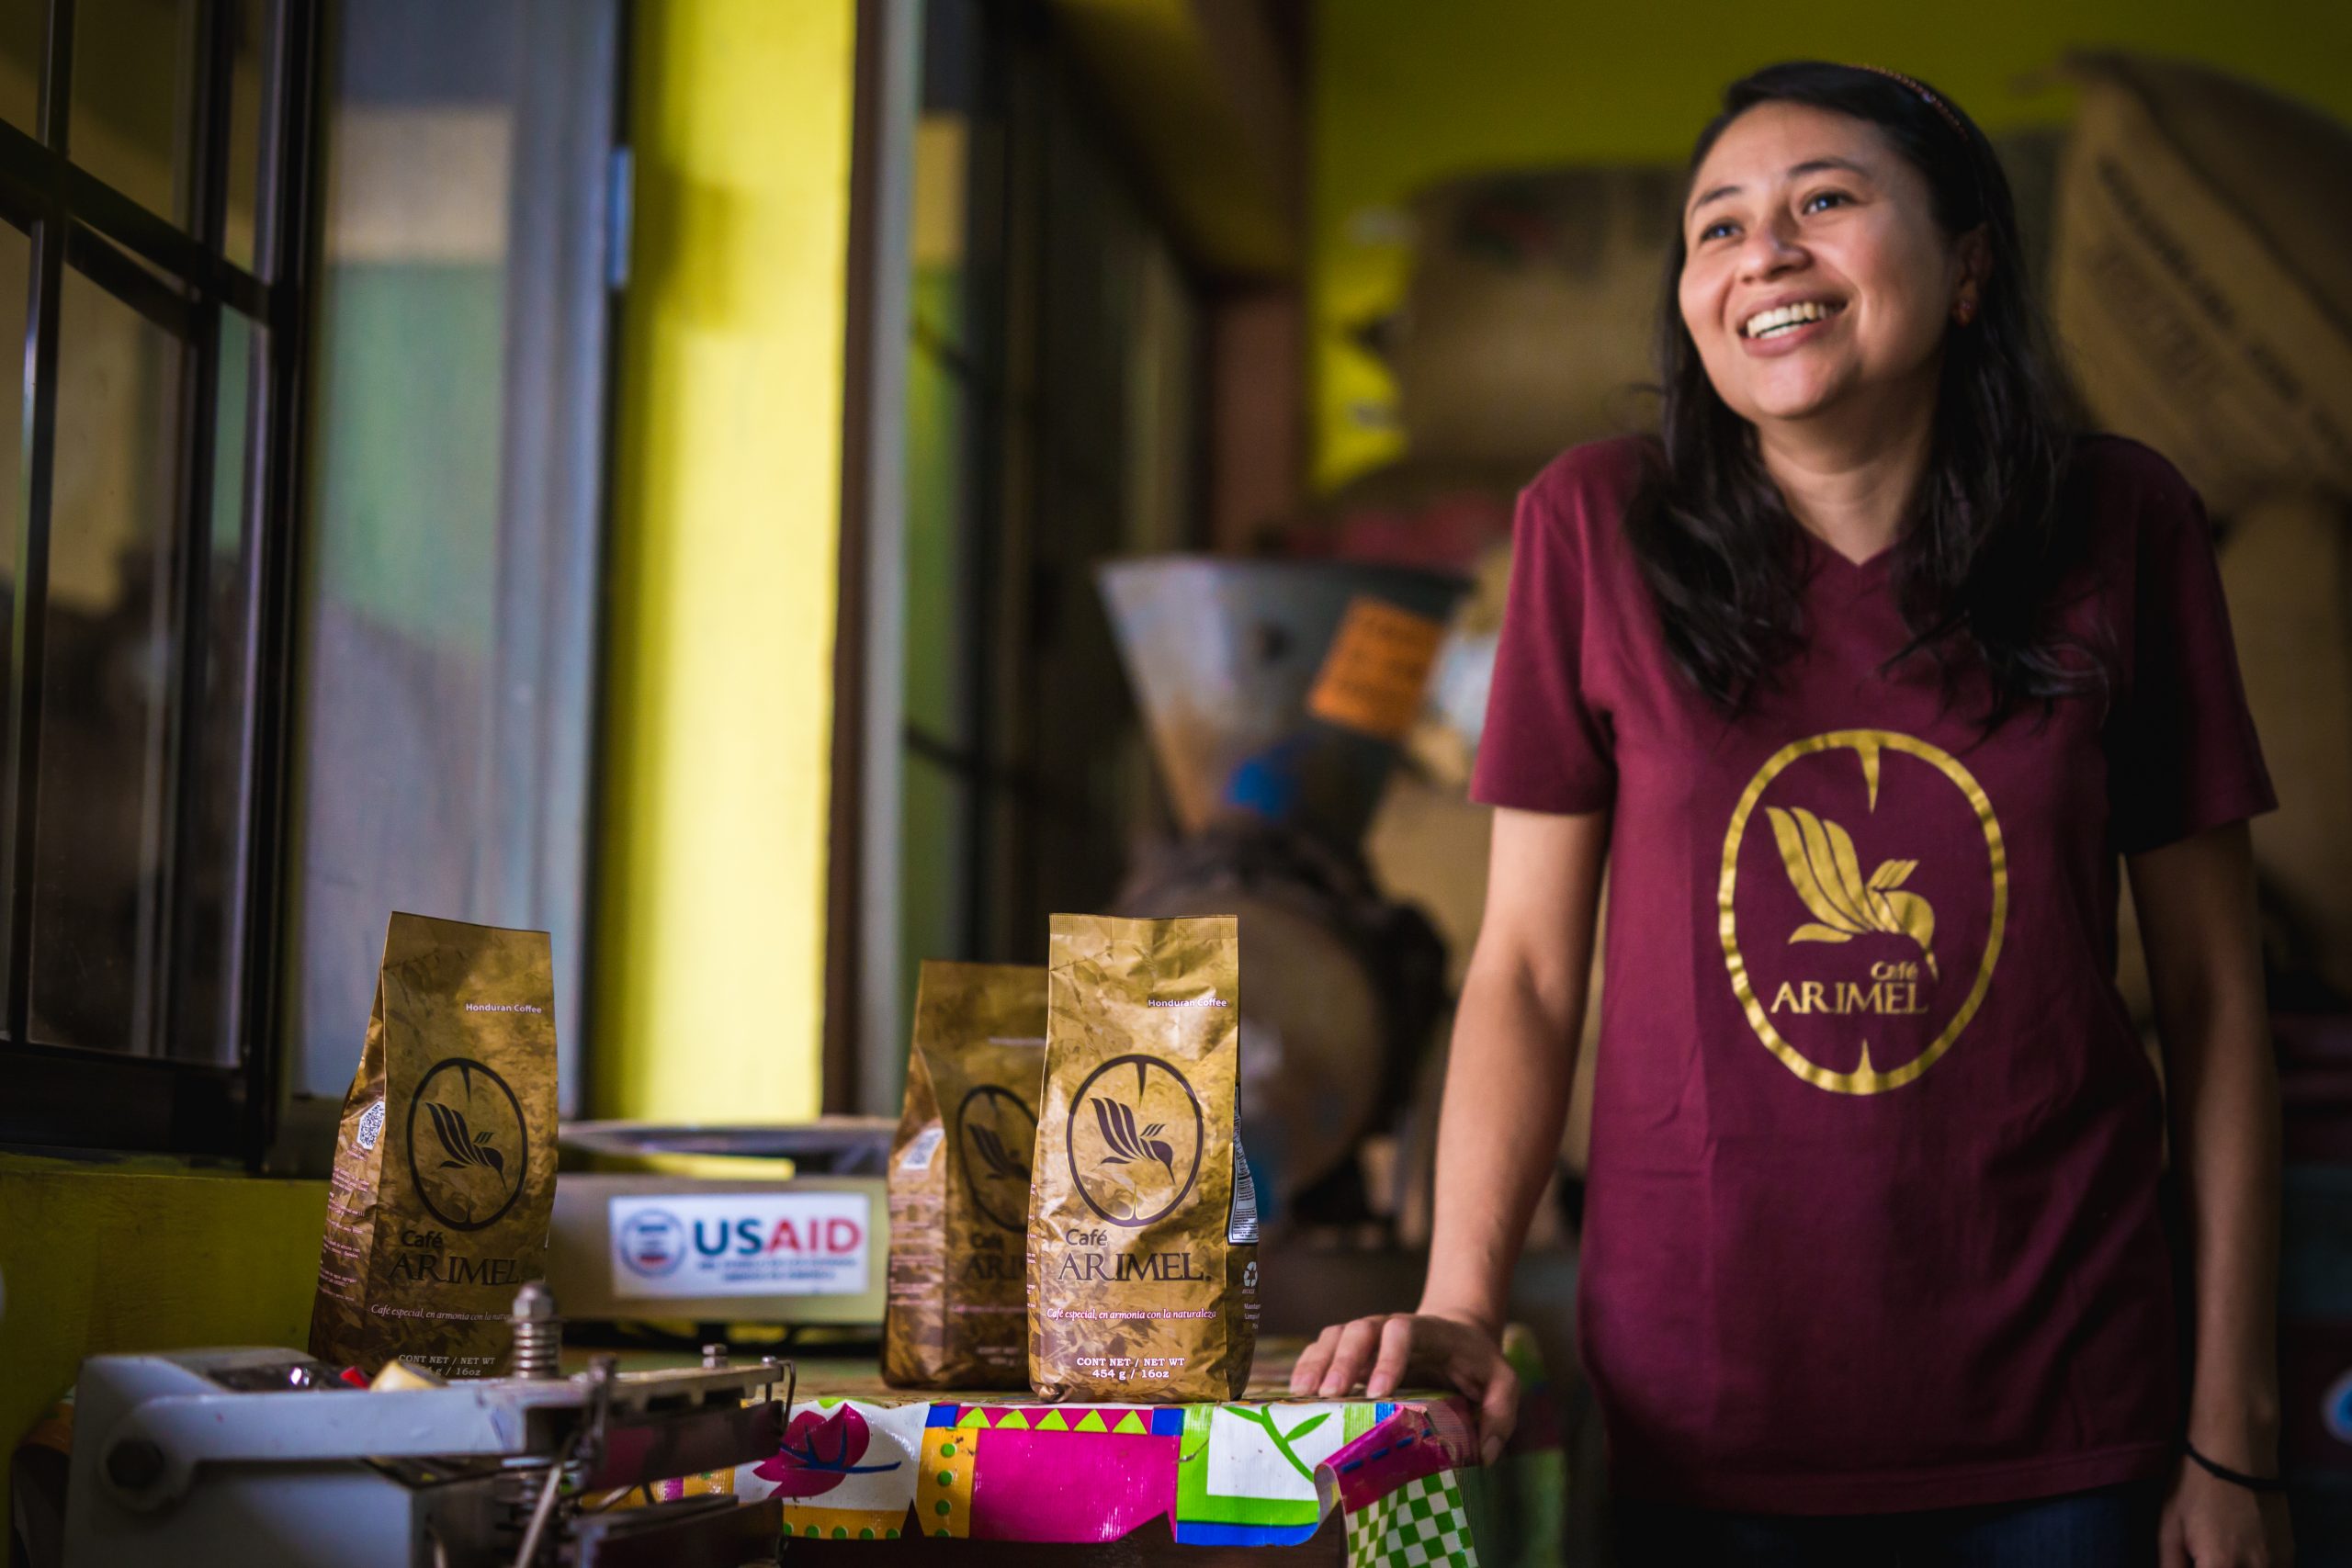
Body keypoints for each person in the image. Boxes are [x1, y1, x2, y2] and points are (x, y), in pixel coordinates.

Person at [1291, 61, 2295, 1568]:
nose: (1763, 251)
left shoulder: (2121, 525)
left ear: (1968, 267)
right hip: (1709, 1425)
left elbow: (2220, 1006)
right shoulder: (1593, 528)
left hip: (2071, 1415)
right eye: (1718, 226)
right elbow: (1525, 971)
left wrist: (2236, 1439)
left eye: (1825, 201)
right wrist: (1457, 1311)